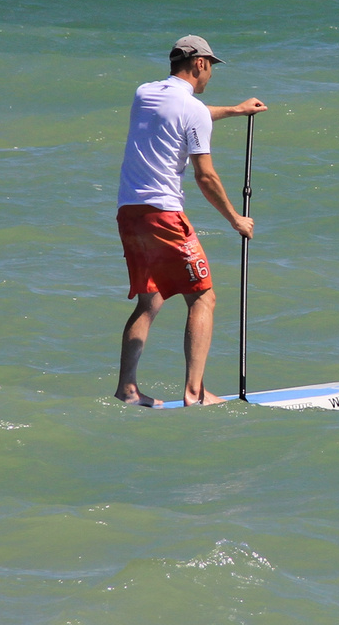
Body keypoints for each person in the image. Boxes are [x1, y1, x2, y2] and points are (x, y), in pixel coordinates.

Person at [113, 35, 266, 407]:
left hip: (129, 211)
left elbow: (183, 112)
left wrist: (233, 110)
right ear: (199, 64)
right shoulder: (191, 109)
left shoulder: (145, 93)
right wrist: (235, 220)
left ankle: (127, 389)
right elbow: (205, 177)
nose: (210, 73)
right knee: (203, 298)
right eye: (210, 66)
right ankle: (195, 393)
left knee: (150, 301)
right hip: (164, 214)